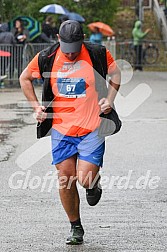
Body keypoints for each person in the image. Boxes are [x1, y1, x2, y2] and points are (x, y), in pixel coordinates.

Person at [19, 20, 121, 245]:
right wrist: (37, 107)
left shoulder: (97, 53)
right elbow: (24, 78)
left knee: (84, 178)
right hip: (62, 130)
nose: (71, 55)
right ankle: (76, 226)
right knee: (65, 178)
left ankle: (93, 185)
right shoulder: (47, 56)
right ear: (58, 39)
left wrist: (110, 101)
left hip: (92, 127)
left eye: (75, 50)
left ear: (82, 39)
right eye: (67, 50)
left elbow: (116, 75)